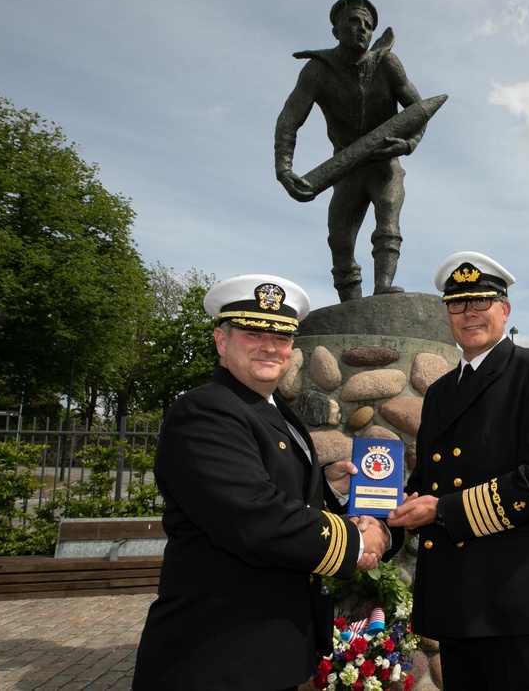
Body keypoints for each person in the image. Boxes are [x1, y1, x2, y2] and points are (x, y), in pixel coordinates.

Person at [132, 274, 390, 691]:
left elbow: (272, 488)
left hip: (267, 650)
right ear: (221, 341)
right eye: (254, 333)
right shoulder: (205, 411)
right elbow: (252, 516)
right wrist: (357, 542)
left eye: (282, 337)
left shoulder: (272, 410)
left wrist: (330, 488)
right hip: (218, 654)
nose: (271, 347)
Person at [386, 252, 529, 691]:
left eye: (481, 301)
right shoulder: (438, 393)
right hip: (456, 598)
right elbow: (423, 486)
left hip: (516, 601)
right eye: (457, 303)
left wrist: (441, 511)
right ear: (447, 315)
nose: (469, 312)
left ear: (505, 309)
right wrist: (383, 516)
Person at [274, 0, 427, 302]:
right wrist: (284, 168)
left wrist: (408, 143)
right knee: (339, 240)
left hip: (384, 166)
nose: (362, 29)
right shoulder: (318, 71)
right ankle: (351, 308)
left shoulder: (388, 65)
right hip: (346, 170)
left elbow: (418, 110)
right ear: (336, 30)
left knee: (388, 217)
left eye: (368, 26)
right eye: (353, 22)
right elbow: (289, 120)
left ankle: (383, 288)